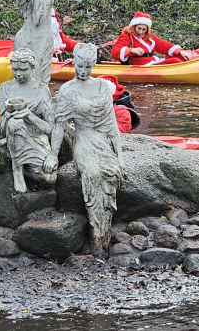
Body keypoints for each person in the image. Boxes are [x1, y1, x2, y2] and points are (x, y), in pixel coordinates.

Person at [45, 43, 125, 249]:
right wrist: (53, 155)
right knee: (92, 174)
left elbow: (112, 125)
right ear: (74, 63)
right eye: (79, 66)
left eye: (88, 67)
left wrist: (120, 156)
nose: (82, 71)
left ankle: (104, 233)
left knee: (112, 172)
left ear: (93, 65)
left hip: (102, 142)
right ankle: (96, 236)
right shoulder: (67, 91)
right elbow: (59, 125)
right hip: (83, 141)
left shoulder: (101, 87)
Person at [0, 48, 57, 193]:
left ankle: (24, 166)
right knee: (15, 122)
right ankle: (17, 168)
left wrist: (29, 115)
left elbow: (51, 129)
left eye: (23, 69)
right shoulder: (5, 88)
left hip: (36, 137)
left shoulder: (41, 90)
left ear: (32, 67)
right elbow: (2, 128)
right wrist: (8, 116)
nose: (18, 74)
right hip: (13, 133)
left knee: (49, 178)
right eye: (15, 69)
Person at [110, 12, 191, 66]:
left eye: (144, 29)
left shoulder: (149, 36)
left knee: (180, 57)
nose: (141, 32)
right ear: (134, 26)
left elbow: (163, 45)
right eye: (139, 28)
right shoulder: (127, 35)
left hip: (152, 61)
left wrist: (180, 51)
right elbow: (115, 52)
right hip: (140, 65)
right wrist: (130, 50)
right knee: (175, 62)